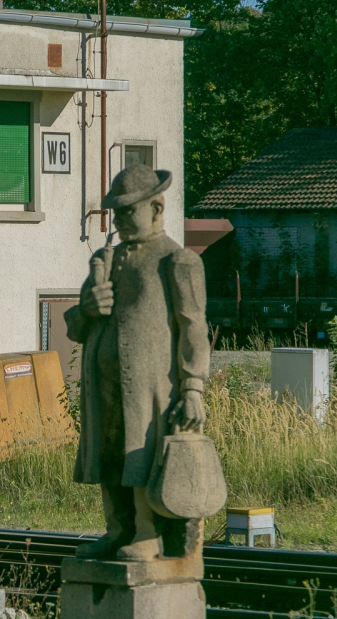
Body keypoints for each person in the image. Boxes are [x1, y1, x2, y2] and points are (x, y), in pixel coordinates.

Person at [65, 164, 209, 562]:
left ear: (157, 209)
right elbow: (75, 327)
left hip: (151, 388)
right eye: (117, 212)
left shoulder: (176, 262)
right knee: (109, 452)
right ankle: (118, 529)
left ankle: (148, 532)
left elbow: (194, 327)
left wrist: (194, 386)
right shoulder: (105, 260)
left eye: (129, 210)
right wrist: (88, 309)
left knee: (140, 453)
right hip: (104, 386)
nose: (121, 219)